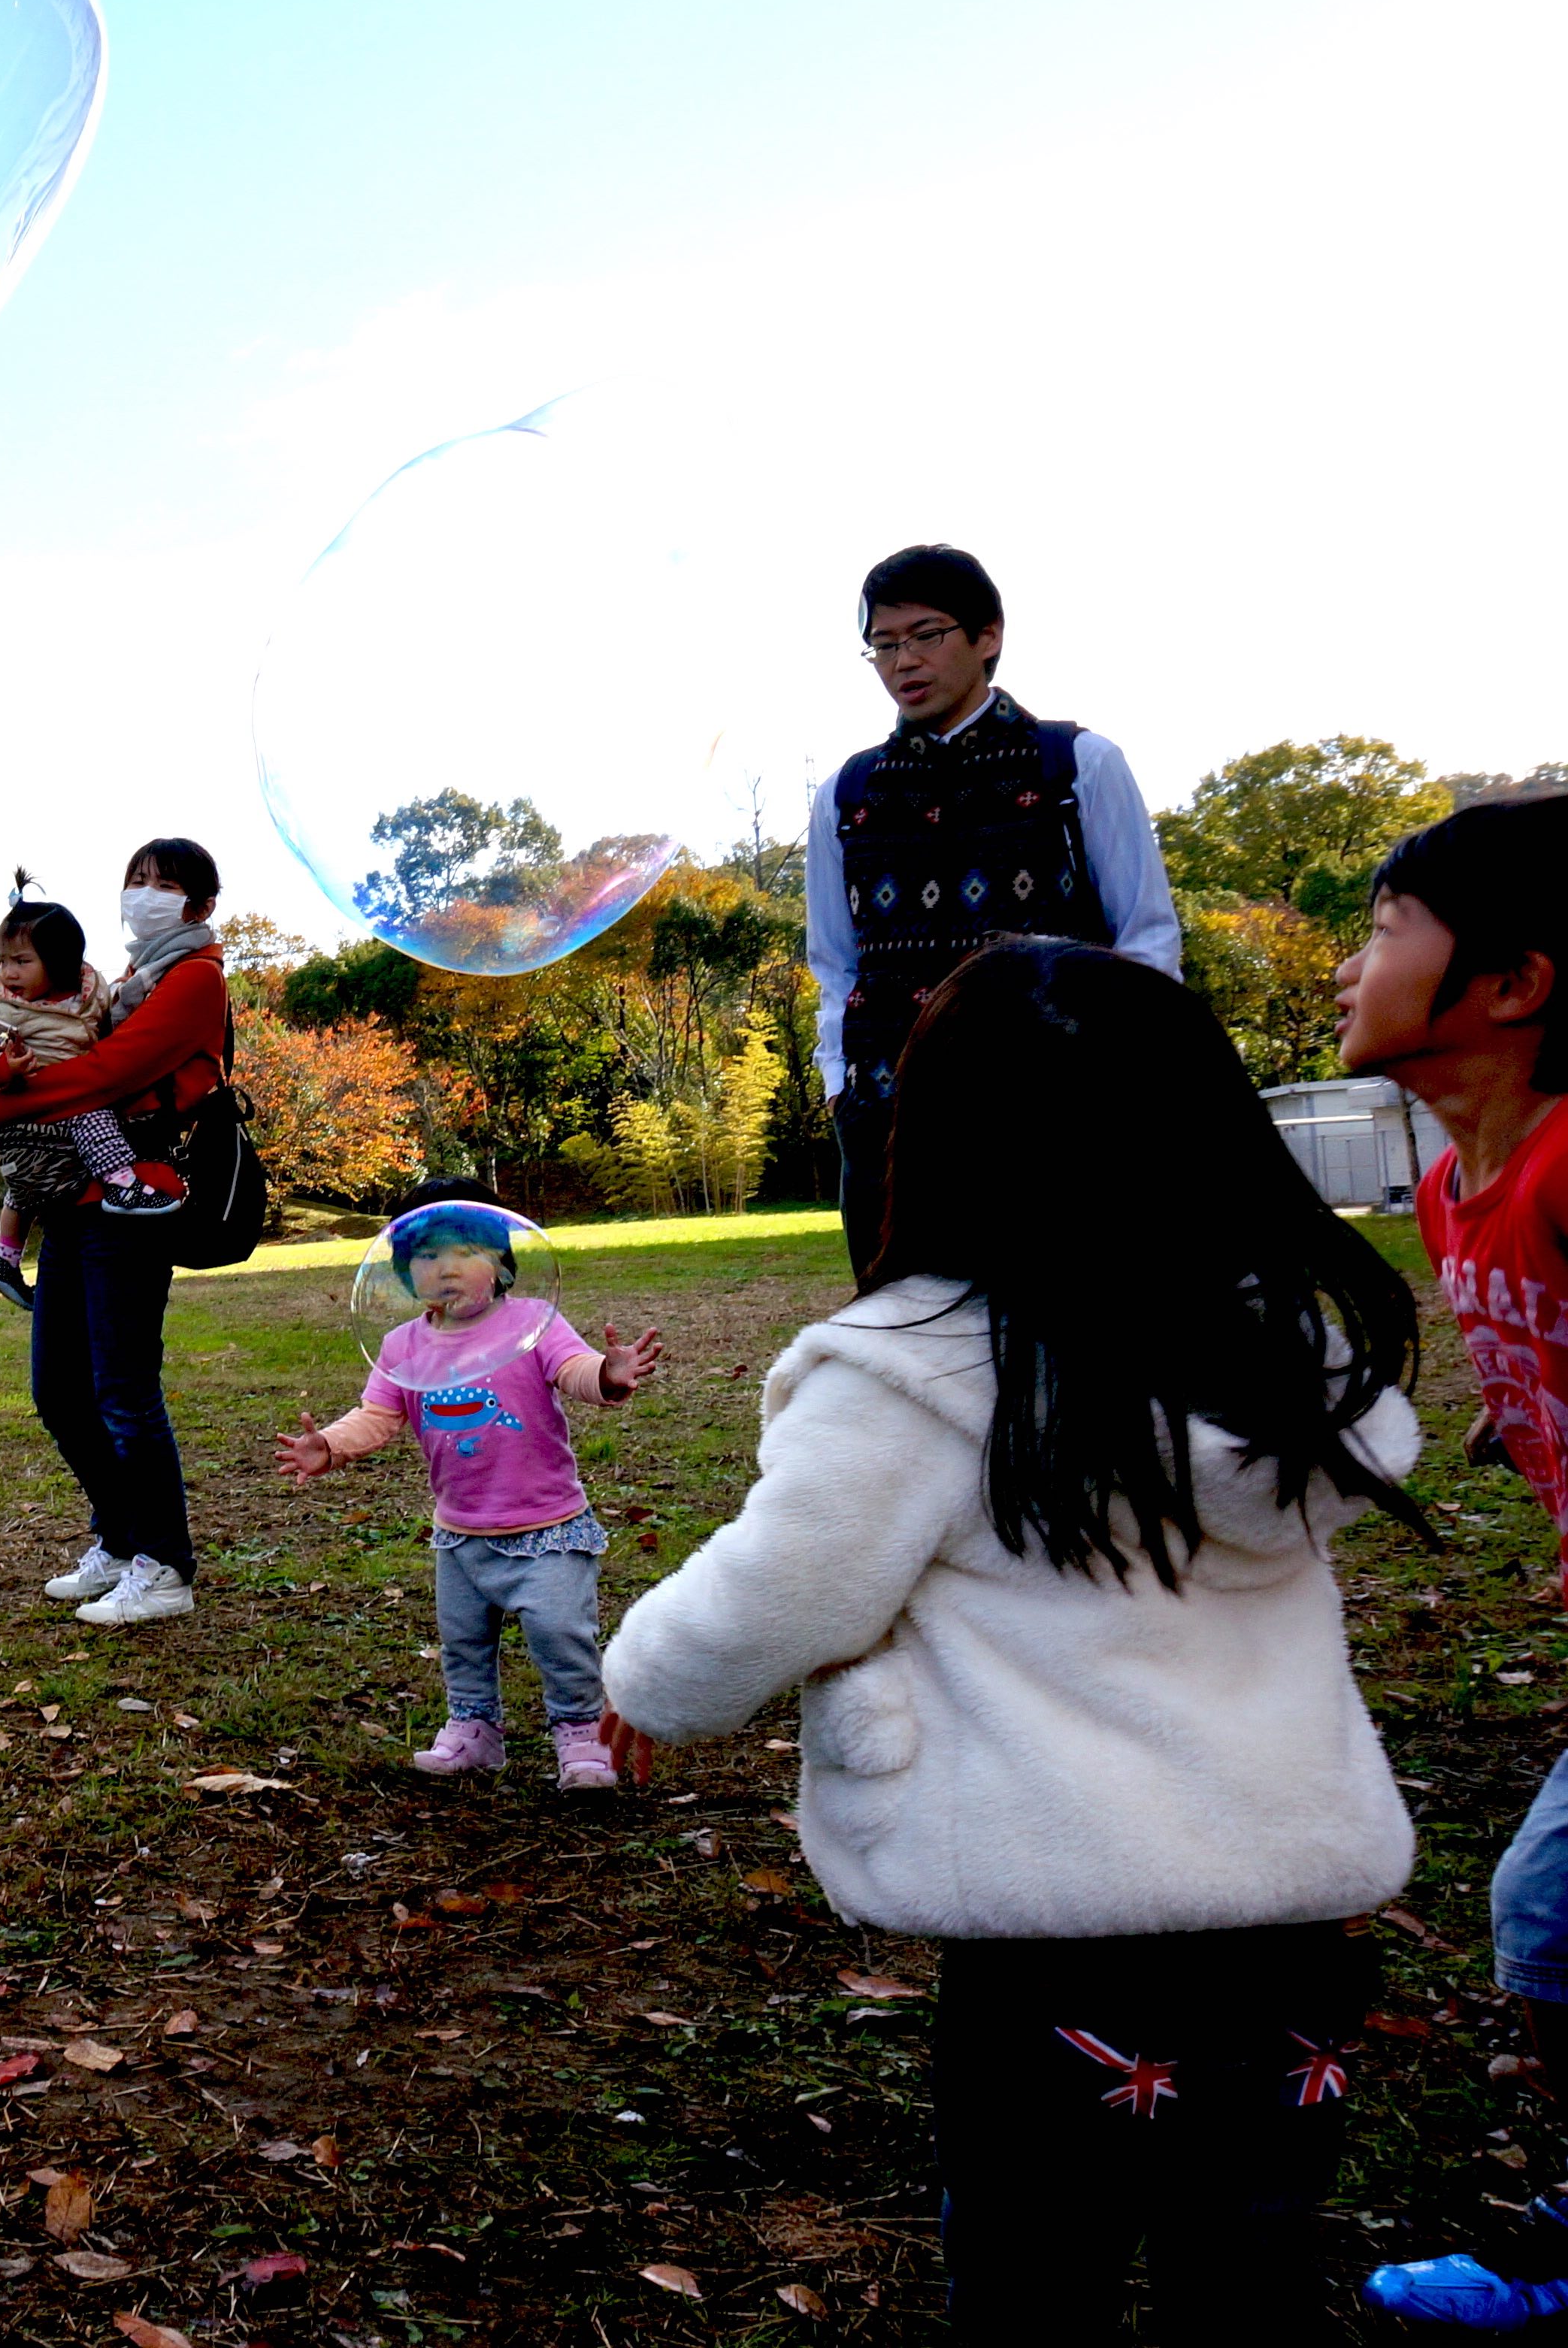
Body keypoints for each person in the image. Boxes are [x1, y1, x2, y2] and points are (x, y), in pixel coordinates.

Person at [595, 937, 1423, 2338]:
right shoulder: (1276, 1356)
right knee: (1248, 2257)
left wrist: (642, 1680)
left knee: (1038, 2264)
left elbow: (773, 1590)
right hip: (1294, 1916)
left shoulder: (919, 1369)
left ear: (939, 1135)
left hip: (1057, 1940)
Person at [1321, 792, 1568, 2328]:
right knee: (1543, 1915)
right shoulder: (1445, 1190)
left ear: (1508, 984)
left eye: (1382, 929)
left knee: (1542, 1910)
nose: (1349, 966)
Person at [808, 545, 1180, 1272]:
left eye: (926, 634)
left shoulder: (1074, 767)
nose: (902, 661)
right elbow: (832, 959)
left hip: (1063, 1117)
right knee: (906, 1351)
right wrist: (837, 1089)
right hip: (890, 1126)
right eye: (882, 644)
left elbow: (1147, 937)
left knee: (1081, 1338)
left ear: (988, 636)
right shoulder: (846, 795)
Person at [274, 1182, 663, 1790]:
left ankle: (580, 1732)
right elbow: (378, 1414)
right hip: (462, 1532)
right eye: (426, 1257)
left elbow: (574, 1371)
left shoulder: (535, 1322)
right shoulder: (402, 1344)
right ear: (405, 1273)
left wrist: (608, 1374)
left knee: (561, 1632)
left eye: (464, 1252)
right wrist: (330, 1444)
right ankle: (475, 1730)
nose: (446, 1268)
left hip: (547, 1526)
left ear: (501, 1263)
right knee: (463, 1642)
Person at [0, 839, 229, 1628]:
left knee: (122, 1390)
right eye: (137, 879)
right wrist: (8, 1094)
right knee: (59, 1392)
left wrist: (4, 1105)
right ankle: (122, 1542)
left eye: (166, 883)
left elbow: (106, 1076)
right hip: (71, 1204)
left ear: (200, 905)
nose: (146, 892)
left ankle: (166, 1565)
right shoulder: (123, 983)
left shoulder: (195, 980)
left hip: (133, 1204)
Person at [0, 890, 176, 1314]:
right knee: (91, 1117)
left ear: (60, 962)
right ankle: (123, 1184)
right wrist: (1, 1069)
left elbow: (111, 1026)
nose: (9, 972)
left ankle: (6, 1257)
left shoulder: (90, 994)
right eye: (4, 960)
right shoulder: (3, 1005)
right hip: (33, 1100)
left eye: (22, 961)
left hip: (51, 1106)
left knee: (32, 1181)